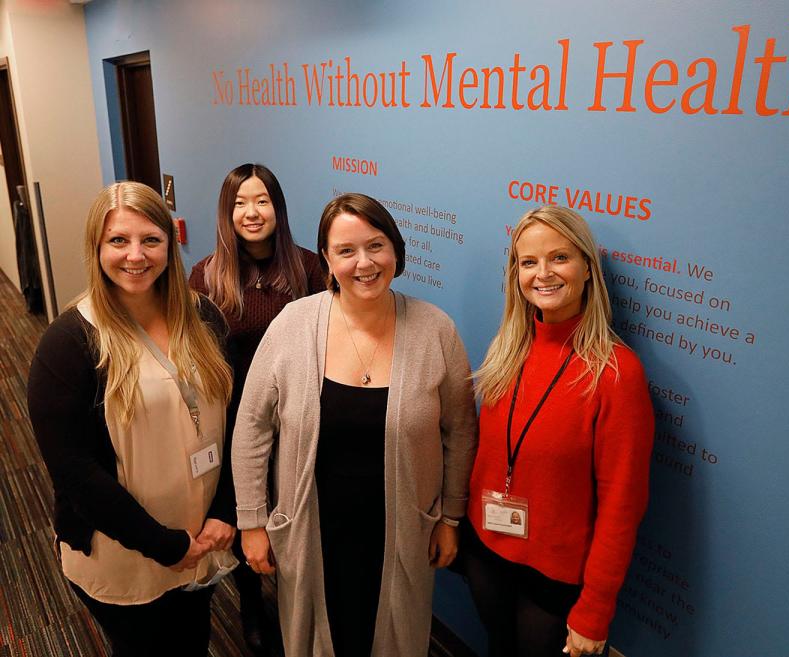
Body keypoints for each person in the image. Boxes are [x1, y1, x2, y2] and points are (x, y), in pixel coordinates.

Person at [232, 192, 477, 657]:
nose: (364, 263)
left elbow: (461, 431)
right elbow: (252, 426)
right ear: (326, 258)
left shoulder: (435, 330)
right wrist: (251, 521)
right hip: (311, 528)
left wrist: (450, 517)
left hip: (402, 530)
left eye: (376, 245)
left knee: (394, 636)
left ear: (396, 251)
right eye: (346, 251)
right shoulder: (293, 324)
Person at [27, 182, 235, 657]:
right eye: (118, 241)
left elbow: (235, 419)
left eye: (151, 240)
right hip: (123, 550)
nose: (135, 255)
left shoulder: (204, 318)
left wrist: (225, 509)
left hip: (202, 536)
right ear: (96, 248)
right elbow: (74, 472)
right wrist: (163, 545)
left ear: (170, 244)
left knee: (193, 643)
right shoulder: (68, 344)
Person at [464, 205, 654, 657]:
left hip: (553, 576)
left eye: (559, 258)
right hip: (486, 552)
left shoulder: (615, 374)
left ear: (588, 267)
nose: (543, 274)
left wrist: (594, 611)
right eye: (528, 262)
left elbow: (621, 506)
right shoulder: (507, 348)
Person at [189, 162, 324, 654]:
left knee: (295, 508)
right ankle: (251, 606)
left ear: (278, 208)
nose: (252, 212)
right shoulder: (206, 275)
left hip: (297, 418)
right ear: (227, 212)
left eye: (262, 201)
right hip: (234, 420)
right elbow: (196, 357)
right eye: (240, 203)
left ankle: (300, 601)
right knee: (248, 513)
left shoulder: (308, 267)